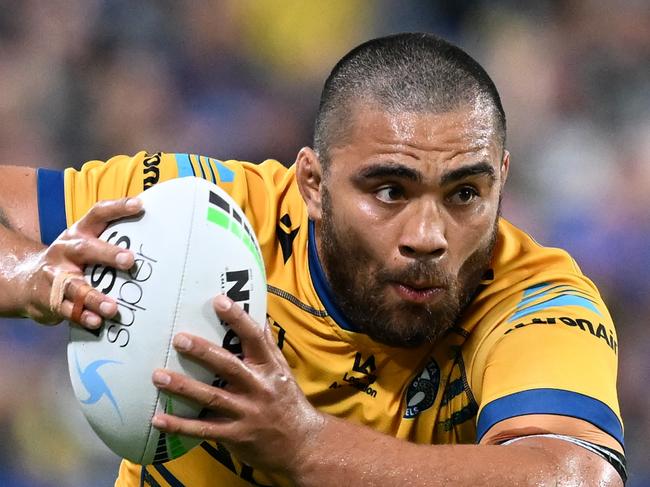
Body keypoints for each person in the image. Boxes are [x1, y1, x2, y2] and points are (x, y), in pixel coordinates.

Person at [0, 33, 625, 486]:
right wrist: (31, 273)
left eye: (465, 193)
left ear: (502, 180)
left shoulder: (535, 300)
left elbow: (576, 476)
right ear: (312, 185)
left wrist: (306, 446)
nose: (429, 236)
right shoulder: (199, 216)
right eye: (389, 191)